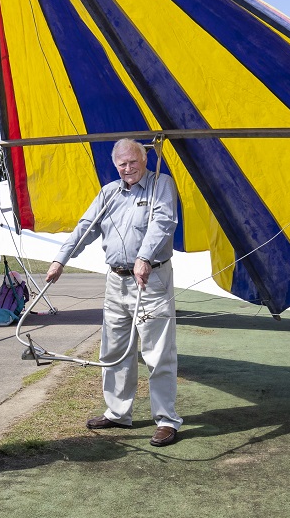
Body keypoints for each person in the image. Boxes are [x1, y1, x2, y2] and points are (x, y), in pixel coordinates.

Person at [45, 138, 182, 447]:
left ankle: (166, 420)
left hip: (152, 279)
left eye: (133, 161)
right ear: (115, 165)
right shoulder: (109, 192)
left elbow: (163, 223)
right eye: (122, 163)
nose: (127, 168)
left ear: (144, 159)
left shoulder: (161, 184)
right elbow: (85, 227)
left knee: (157, 353)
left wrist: (144, 257)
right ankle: (118, 412)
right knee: (114, 349)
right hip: (116, 280)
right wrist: (60, 259)